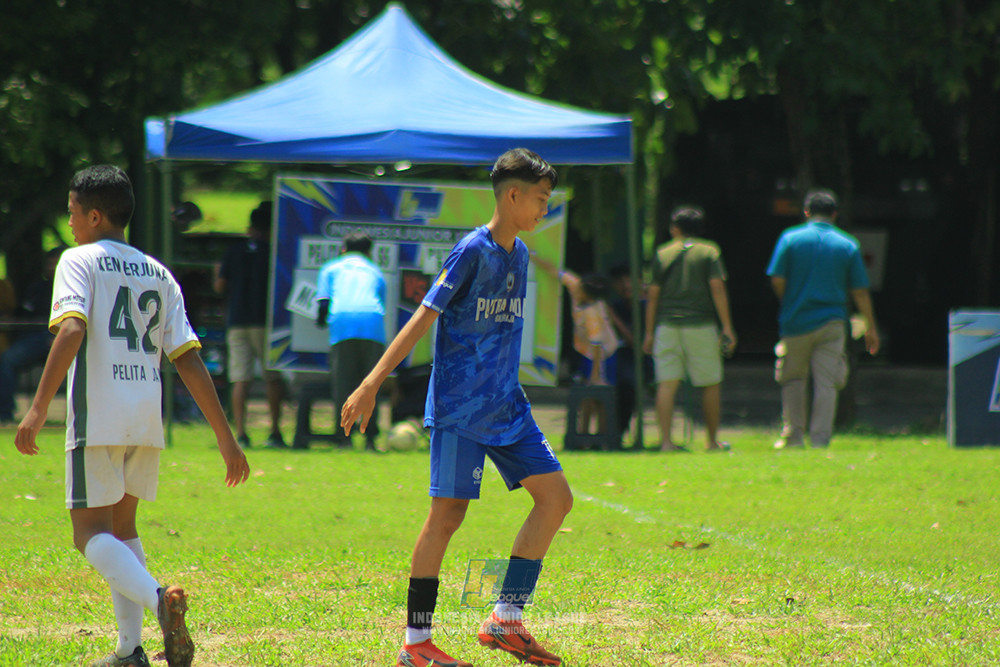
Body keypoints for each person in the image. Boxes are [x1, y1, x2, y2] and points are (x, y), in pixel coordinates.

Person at [341, 148, 572, 667]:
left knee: (556, 499)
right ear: (512, 195)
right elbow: (422, 320)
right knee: (446, 517)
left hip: (507, 407)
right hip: (460, 408)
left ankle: (505, 619)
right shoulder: (471, 250)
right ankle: (416, 644)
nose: (544, 210)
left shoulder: (520, 255)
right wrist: (372, 382)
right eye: (539, 199)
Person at [14, 165, 250, 667]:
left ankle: (159, 599)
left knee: (89, 534)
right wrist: (226, 438)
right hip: (146, 415)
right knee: (124, 530)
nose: (71, 221)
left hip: (99, 414)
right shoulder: (158, 272)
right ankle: (130, 651)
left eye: (74, 212)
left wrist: (37, 407)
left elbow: (72, 329)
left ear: (95, 215)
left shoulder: (79, 260)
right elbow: (186, 357)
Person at [766, 189, 879, 449]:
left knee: (793, 378)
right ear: (835, 214)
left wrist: (790, 299)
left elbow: (777, 279)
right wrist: (870, 327)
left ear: (806, 212)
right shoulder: (847, 244)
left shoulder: (790, 239)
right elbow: (860, 291)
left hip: (795, 321)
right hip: (833, 322)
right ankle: (820, 440)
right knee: (826, 383)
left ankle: (793, 436)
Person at [643, 205, 736, 452]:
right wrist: (726, 326)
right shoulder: (710, 251)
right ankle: (712, 441)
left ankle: (665, 442)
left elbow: (653, 295)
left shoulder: (663, 253)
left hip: (667, 325)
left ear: (674, 228)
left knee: (667, 382)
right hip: (701, 325)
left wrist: (649, 332)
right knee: (710, 382)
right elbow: (717, 288)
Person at [214, 201, 286, 449]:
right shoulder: (273, 251)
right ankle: (275, 431)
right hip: (264, 321)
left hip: (237, 321)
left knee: (240, 378)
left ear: (249, 227)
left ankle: (241, 433)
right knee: (272, 377)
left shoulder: (233, 251)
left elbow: (219, 286)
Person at [314, 232, 386, 450]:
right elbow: (379, 298)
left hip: (343, 323)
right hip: (372, 323)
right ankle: (370, 438)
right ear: (368, 251)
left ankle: (344, 437)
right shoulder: (375, 270)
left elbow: (323, 304)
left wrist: (321, 321)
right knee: (371, 384)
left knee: (343, 384)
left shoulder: (330, 268)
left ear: (343, 249)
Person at [532, 256, 620, 436]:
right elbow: (556, 272)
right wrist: (533, 257)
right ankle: (583, 435)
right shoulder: (577, 286)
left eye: (580, 292)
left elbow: (597, 345)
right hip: (586, 351)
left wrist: (595, 376)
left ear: (589, 296)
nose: (576, 293)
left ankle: (603, 437)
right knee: (586, 397)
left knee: (599, 395)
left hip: (603, 355)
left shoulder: (594, 311)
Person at [0, 246, 66, 423]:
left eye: (56, 263)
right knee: (7, 358)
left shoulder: (78, 287)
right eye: (50, 263)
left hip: (68, 337)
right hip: (38, 337)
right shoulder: (38, 288)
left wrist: (60, 337)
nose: (52, 267)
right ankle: (5, 415)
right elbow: (24, 317)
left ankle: (86, 417)